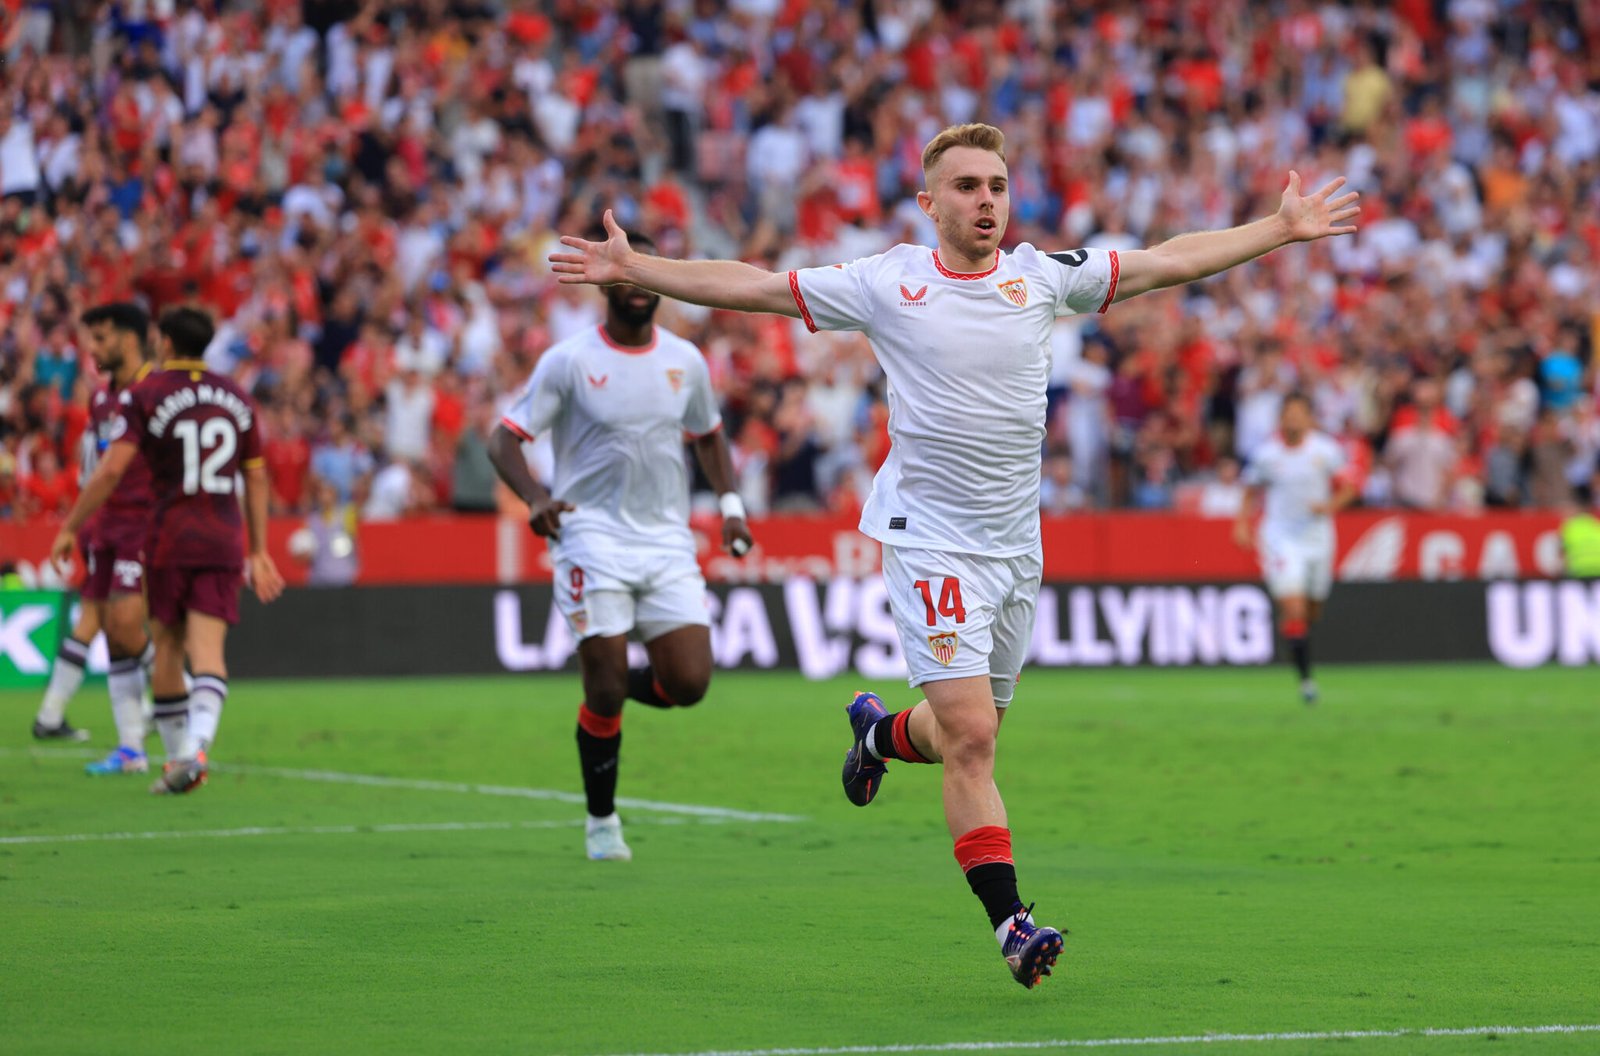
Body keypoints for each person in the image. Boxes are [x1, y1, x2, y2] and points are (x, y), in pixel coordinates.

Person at [551, 122, 1359, 987]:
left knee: (959, 734)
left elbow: (1166, 259)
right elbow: (752, 287)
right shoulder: (887, 281)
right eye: (968, 186)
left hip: (1017, 549)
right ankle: (1014, 924)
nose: (987, 201)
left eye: (998, 186)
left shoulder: (1040, 277)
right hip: (930, 541)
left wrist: (1275, 231)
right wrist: (639, 269)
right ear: (929, 202)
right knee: (974, 739)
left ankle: (879, 734)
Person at [487, 231, 754, 863]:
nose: (636, 287)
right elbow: (504, 438)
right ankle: (601, 821)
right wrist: (536, 499)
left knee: (689, 682)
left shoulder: (685, 361)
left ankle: (599, 673)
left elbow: (709, 437)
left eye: (646, 274)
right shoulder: (569, 361)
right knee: (606, 692)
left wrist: (732, 507)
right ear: (605, 282)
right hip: (591, 536)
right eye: (625, 275)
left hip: (665, 539)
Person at [51, 307, 285, 795]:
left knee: (169, 647)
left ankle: (182, 757)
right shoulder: (237, 397)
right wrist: (260, 549)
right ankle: (195, 748)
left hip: (167, 536)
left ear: (165, 343)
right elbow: (257, 474)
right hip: (223, 536)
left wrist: (71, 525)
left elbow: (112, 470)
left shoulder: (146, 394)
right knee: (209, 654)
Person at [31, 303, 159, 775]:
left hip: (144, 522)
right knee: (108, 628)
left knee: (124, 626)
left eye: (101, 338)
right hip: (104, 525)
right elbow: (97, 467)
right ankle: (131, 749)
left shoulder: (155, 392)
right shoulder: (103, 400)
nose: (93, 348)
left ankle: (180, 687)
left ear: (128, 339)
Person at [1233, 392, 1356, 704]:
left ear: (1309, 418)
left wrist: (1329, 505)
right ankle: (1306, 682)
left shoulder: (1325, 450)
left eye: (1299, 414)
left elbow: (1351, 486)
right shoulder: (1267, 455)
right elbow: (1251, 490)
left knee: (1312, 609)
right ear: (1281, 419)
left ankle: (1295, 634)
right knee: (1295, 607)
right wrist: (1242, 523)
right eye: (1288, 414)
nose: (1293, 419)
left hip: (1318, 536)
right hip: (1280, 536)